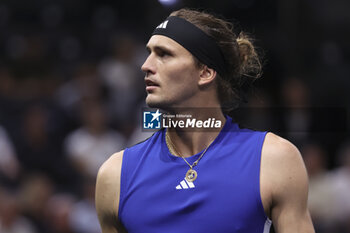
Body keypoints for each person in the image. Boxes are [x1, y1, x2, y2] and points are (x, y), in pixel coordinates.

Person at [95, 8, 315, 233]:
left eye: (164, 54)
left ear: (205, 73)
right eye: (149, 52)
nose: (146, 65)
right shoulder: (115, 175)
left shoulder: (273, 160)